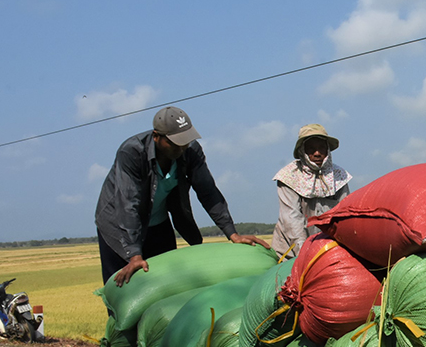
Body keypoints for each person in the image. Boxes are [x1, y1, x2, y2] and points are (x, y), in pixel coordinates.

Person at [95, 106, 269, 287]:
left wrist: (233, 234)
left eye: (185, 139)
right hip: (118, 228)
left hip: (158, 224)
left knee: (166, 282)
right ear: (156, 136)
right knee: (123, 286)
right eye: (175, 142)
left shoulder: (191, 151)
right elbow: (128, 204)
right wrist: (134, 255)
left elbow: (208, 192)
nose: (182, 146)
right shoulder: (131, 152)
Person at [271, 123, 352, 257]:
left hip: (328, 248)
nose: (317, 153)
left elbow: (345, 215)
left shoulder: (339, 176)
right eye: (311, 149)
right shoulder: (288, 177)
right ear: (302, 151)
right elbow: (292, 220)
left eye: (321, 148)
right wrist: (305, 254)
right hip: (291, 250)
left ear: (328, 150)